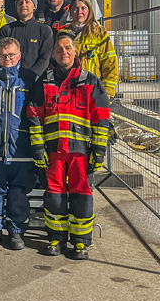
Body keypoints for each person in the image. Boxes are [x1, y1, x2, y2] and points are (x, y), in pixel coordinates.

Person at [28, 33, 110, 260]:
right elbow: (34, 115)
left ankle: (80, 243)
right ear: (53, 55)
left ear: (75, 52)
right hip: (53, 151)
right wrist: (38, 148)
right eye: (59, 49)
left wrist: (99, 150)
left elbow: (101, 118)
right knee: (54, 195)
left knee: (81, 194)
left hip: (81, 152)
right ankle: (55, 239)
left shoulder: (90, 81)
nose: (64, 52)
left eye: (68, 48)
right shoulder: (44, 81)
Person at [0, 37, 37, 250]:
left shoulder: (30, 79)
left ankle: (16, 231)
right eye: (3, 55)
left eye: (11, 55)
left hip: (21, 150)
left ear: (19, 56)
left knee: (18, 192)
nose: (7, 59)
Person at [63, 0, 118, 98]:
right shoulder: (63, 35)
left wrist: (107, 94)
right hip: (69, 92)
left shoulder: (99, 33)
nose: (79, 12)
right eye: (75, 8)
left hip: (93, 91)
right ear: (70, 12)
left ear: (89, 11)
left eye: (83, 8)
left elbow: (110, 64)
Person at [0, 0, 54, 81]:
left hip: (35, 81)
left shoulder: (44, 30)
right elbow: (2, 55)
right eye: (20, 2)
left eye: (27, 1)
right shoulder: (7, 30)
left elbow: (45, 58)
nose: (24, 5)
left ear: (34, 6)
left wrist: (32, 75)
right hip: (10, 80)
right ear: (16, 7)